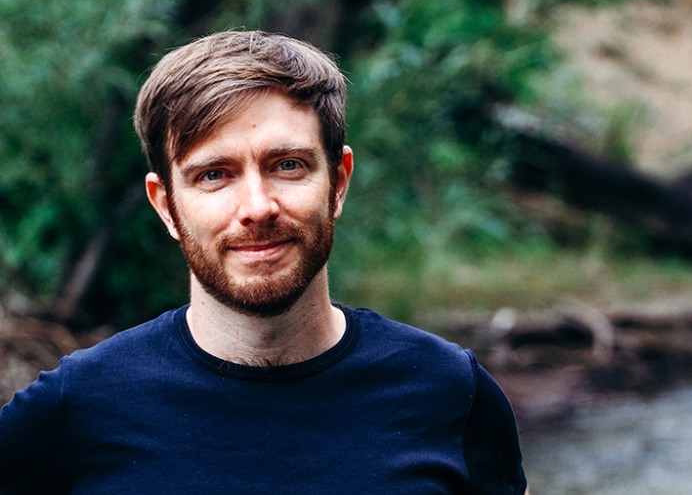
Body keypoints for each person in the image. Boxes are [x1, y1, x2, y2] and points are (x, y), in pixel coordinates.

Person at [0, 30, 527, 494]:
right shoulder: (75, 408)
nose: (256, 207)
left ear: (338, 184)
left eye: (288, 165)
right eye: (214, 174)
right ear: (166, 206)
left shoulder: (452, 392)